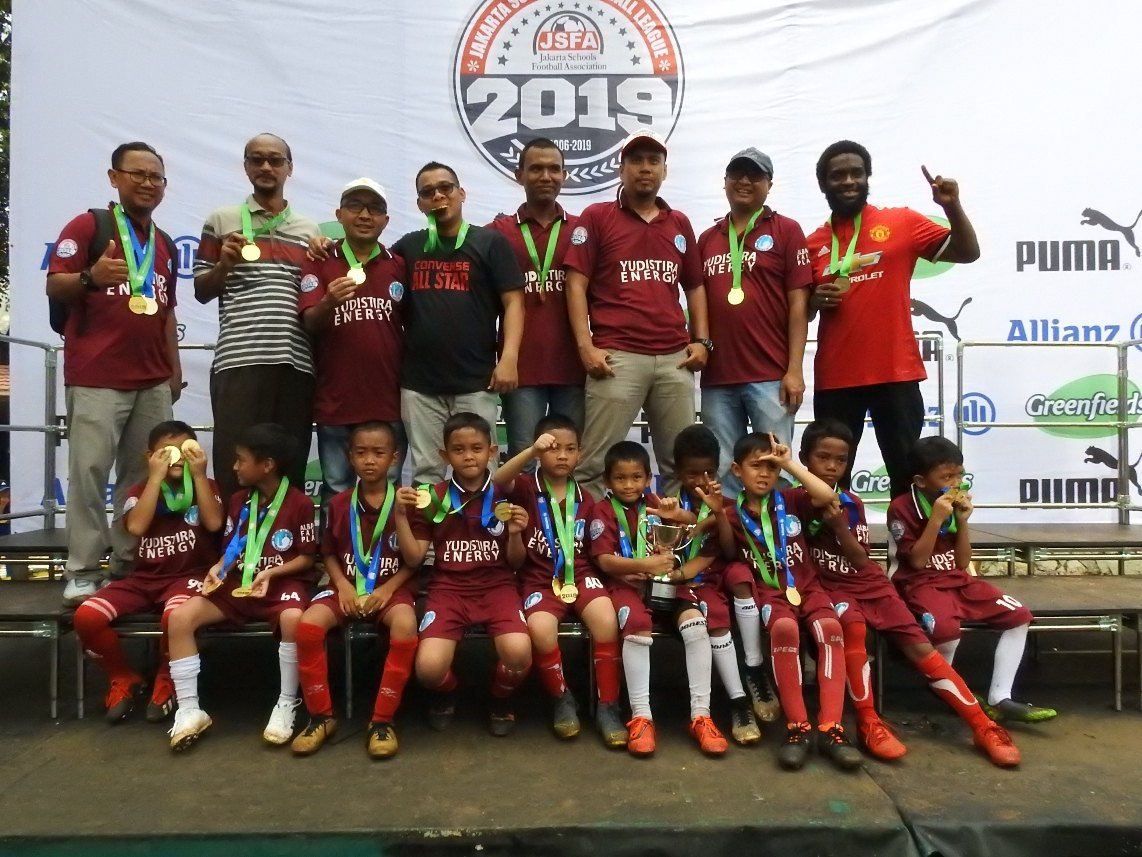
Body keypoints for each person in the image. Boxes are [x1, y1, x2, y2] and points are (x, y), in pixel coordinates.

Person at [794, 419, 1022, 766]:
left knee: (919, 646)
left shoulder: (852, 502)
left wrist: (839, 526)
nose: (831, 466)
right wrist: (788, 467)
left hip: (871, 583)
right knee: (855, 630)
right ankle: (869, 722)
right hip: (829, 588)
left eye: (840, 460)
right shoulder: (791, 499)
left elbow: (860, 560)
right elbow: (819, 498)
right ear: (804, 459)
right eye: (822, 458)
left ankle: (983, 725)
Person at [46, 141, 182, 605]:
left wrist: (173, 372)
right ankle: (83, 568)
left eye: (155, 177)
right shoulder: (88, 226)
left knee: (142, 477)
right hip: (96, 375)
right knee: (88, 472)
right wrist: (90, 278)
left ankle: (127, 562)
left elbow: (166, 312)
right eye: (137, 174)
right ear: (114, 177)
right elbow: (55, 284)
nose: (147, 183)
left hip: (152, 379)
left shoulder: (164, 243)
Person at [807, 140, 980, 498]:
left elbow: (968, 252)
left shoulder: (901, 222)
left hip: (895, 372)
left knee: (906, 475)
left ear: (867, 177)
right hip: (836, 376)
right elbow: (799, 311)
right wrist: (814, 299)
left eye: (856, 173)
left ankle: (905, 537)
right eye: (838, 175)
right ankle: (836, 537)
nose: (848, 181)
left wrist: (952, 207)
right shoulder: (811, 244)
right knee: (830, 481)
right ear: (823, 184)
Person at [565, 129, 709, 499]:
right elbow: (576, 283)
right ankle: (588, 534)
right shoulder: (597, 217)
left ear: (664, 170)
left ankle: (675, 535)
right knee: (594, 464)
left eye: (653, 161)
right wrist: (585, 346)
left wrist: (702, 341)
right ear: (621, 169)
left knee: (680, 466)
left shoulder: (679, 223)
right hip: (618, 356)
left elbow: (695, 286)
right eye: (636, 161)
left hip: (674, 358)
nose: (645, 168)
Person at [165, 423, 317, 751]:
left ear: (267, 465)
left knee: (293, 619)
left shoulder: (300, 503)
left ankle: (286, 702)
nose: (234, 467)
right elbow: (233, 548)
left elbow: (307, 558)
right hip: (239, 585)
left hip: (280, 584)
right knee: (179, 618)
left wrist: (273, 573)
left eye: (241, 460)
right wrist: (219, 568)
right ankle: (189, 709)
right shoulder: (238, 500)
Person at [887, 436, 1057, 726]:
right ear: (920, 481)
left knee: (1019, 616)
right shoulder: (902, 507)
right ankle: (947, 688)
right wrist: (936, 520)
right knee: (947, 631)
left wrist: (963, 521)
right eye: (947, 477)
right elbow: (916, 562)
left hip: (956, 579)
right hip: (917, 583)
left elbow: (962, 561)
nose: (956, 484)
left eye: (960, 475)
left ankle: (1001, 697)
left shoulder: (953, 506)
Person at [721, 432, 859, 771]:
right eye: (756, 466)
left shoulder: (793, 498)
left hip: (808, 587)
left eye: (771, 467)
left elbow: (827, 495)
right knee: (784, 629)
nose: (764, 474)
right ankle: (797, 728)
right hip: (770, 593)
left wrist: (788, 464)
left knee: (830, 628)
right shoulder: (732, 514)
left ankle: (831, 728)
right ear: (737, 470)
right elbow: (726, 554)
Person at [194, 133, 319, 502]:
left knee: (290, 463)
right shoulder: (222, 220)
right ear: (246, 166)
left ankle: (285, 535)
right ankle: (234, 535)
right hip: (239, 359)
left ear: (289, 168)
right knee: (237, 462)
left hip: (296, 362)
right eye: (257, 159)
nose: (267, 166)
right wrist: (224, 265)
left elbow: (312, 294)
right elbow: (202, 290)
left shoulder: (309, 230)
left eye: (276, 160)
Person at [73, 421, 223, 723]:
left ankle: (168, 676)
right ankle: (122, 676)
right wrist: (155, 477)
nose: (176, 458)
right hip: (144, 579)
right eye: (166, 452)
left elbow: (214, 523)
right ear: (150, 457)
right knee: (86, 617)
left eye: (184, 450)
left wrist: (199, 475)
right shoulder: (140, 490)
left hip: (189, 577)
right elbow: (137, 526)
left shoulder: (205, 486)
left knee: (175, 617)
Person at [587, 440, 728, 757]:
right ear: (607, 480)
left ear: (649, 478)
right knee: (637, 625)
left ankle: (701, 716)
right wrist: (644, 564)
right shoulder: (601, 511)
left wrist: (677, 516)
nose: (629, 485)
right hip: (625, 587)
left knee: (696, 623)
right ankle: (641, 717)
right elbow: (604, 561)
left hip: (665, 585)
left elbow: (692, 528)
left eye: (636, 477)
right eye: (620, 478)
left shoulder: (656, 503)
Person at [493, 413, 627, 747]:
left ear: (580, 454)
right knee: (540, 629)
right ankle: (562, 698)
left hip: (580, 574)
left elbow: (595, 552)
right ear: (540, 451)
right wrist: (531, 452)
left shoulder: (588, 499)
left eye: (570, 449)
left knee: (606, 620)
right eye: (553, 449)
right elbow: (497, 480)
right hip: (538, 578)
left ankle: (608, 705)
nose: (562, 456)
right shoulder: (526, 487)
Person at [291, 422, 419, 759]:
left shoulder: (406, 502)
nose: (369, 460)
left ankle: (382, 721)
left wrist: (388, 589)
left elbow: (414, 562)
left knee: (405, 624)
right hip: (344, 588)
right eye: (361, 453)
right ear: (349, 457)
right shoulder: (338, 504)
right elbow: (329, 553)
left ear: (394, 457)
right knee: (308, 626)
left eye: (378, 453)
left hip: (390, 588)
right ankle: (320, 716)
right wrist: (344, 586)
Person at [391, 163, 525, 485]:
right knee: (427, 473)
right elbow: (370, 266)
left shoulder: (490, 243)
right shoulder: (408, 247)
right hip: (420, 384)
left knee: (482, 470)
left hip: (475, 381)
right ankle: (430, 521)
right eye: (428, 192)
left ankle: (483, 522)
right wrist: (326, 246)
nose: (438, 196)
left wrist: (508, 358)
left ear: (461, 193)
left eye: (445, 188)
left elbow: (514, 303)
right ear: (420, 204)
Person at [405, 413, 532, 735]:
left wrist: (515, 534)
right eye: (458, 449)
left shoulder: (508, 493)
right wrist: (400, 516)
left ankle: (499, 697)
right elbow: (415, 558)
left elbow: (517, 563)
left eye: (477, 448)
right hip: (448, 589)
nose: (468, 456)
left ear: (492, 451)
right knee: (428, 670)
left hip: (498, 586)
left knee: (519, 654)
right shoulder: (433, 497)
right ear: (444, 455)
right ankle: (449, 692)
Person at [698, 148, 812, 495]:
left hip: (770, 374)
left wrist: (795, 369)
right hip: (718, 377)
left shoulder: (786, 230)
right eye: (737, 174)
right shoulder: (708, 238)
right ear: (725, 182)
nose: (745, 181)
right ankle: (733, 530)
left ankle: (782, 528)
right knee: (724, 467)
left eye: (755, 175)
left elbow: (799, 305)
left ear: (769, 184)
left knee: (777, 463)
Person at [298, 178, 407, 504]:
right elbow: (309, 322)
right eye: (355, 206)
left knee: (388, 490)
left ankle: (389, 541)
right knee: (336, 489)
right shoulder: (319, 260)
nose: (364, 215)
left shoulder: (398, 264)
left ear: (385, 220)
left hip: (388, 401)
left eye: (374, 208)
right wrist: (328, 302)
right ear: (339, 214)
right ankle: (337, 541)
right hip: (336, 400)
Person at [488, 139, 585, 463]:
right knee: (524, 460)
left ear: (565, 176)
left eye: (554, 169)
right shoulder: (497, 232)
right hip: (520, 369)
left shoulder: (582, 230)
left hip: (573, 368)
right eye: (536, 169)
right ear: (519, 175)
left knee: (568, 462)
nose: (546, 176)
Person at [670, 425, 761, 745]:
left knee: (738, 577)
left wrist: (719, 513)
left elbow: (729, 551)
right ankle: (739, 701)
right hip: (686, 586)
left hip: (715, 578)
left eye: (708, 472)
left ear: (719, 468)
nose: (701, 480)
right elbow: (668, 556)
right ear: (677, 471)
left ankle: (751, 680)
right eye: (692, 473)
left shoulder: (730, 503)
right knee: (715, 617)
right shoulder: (667, 506)